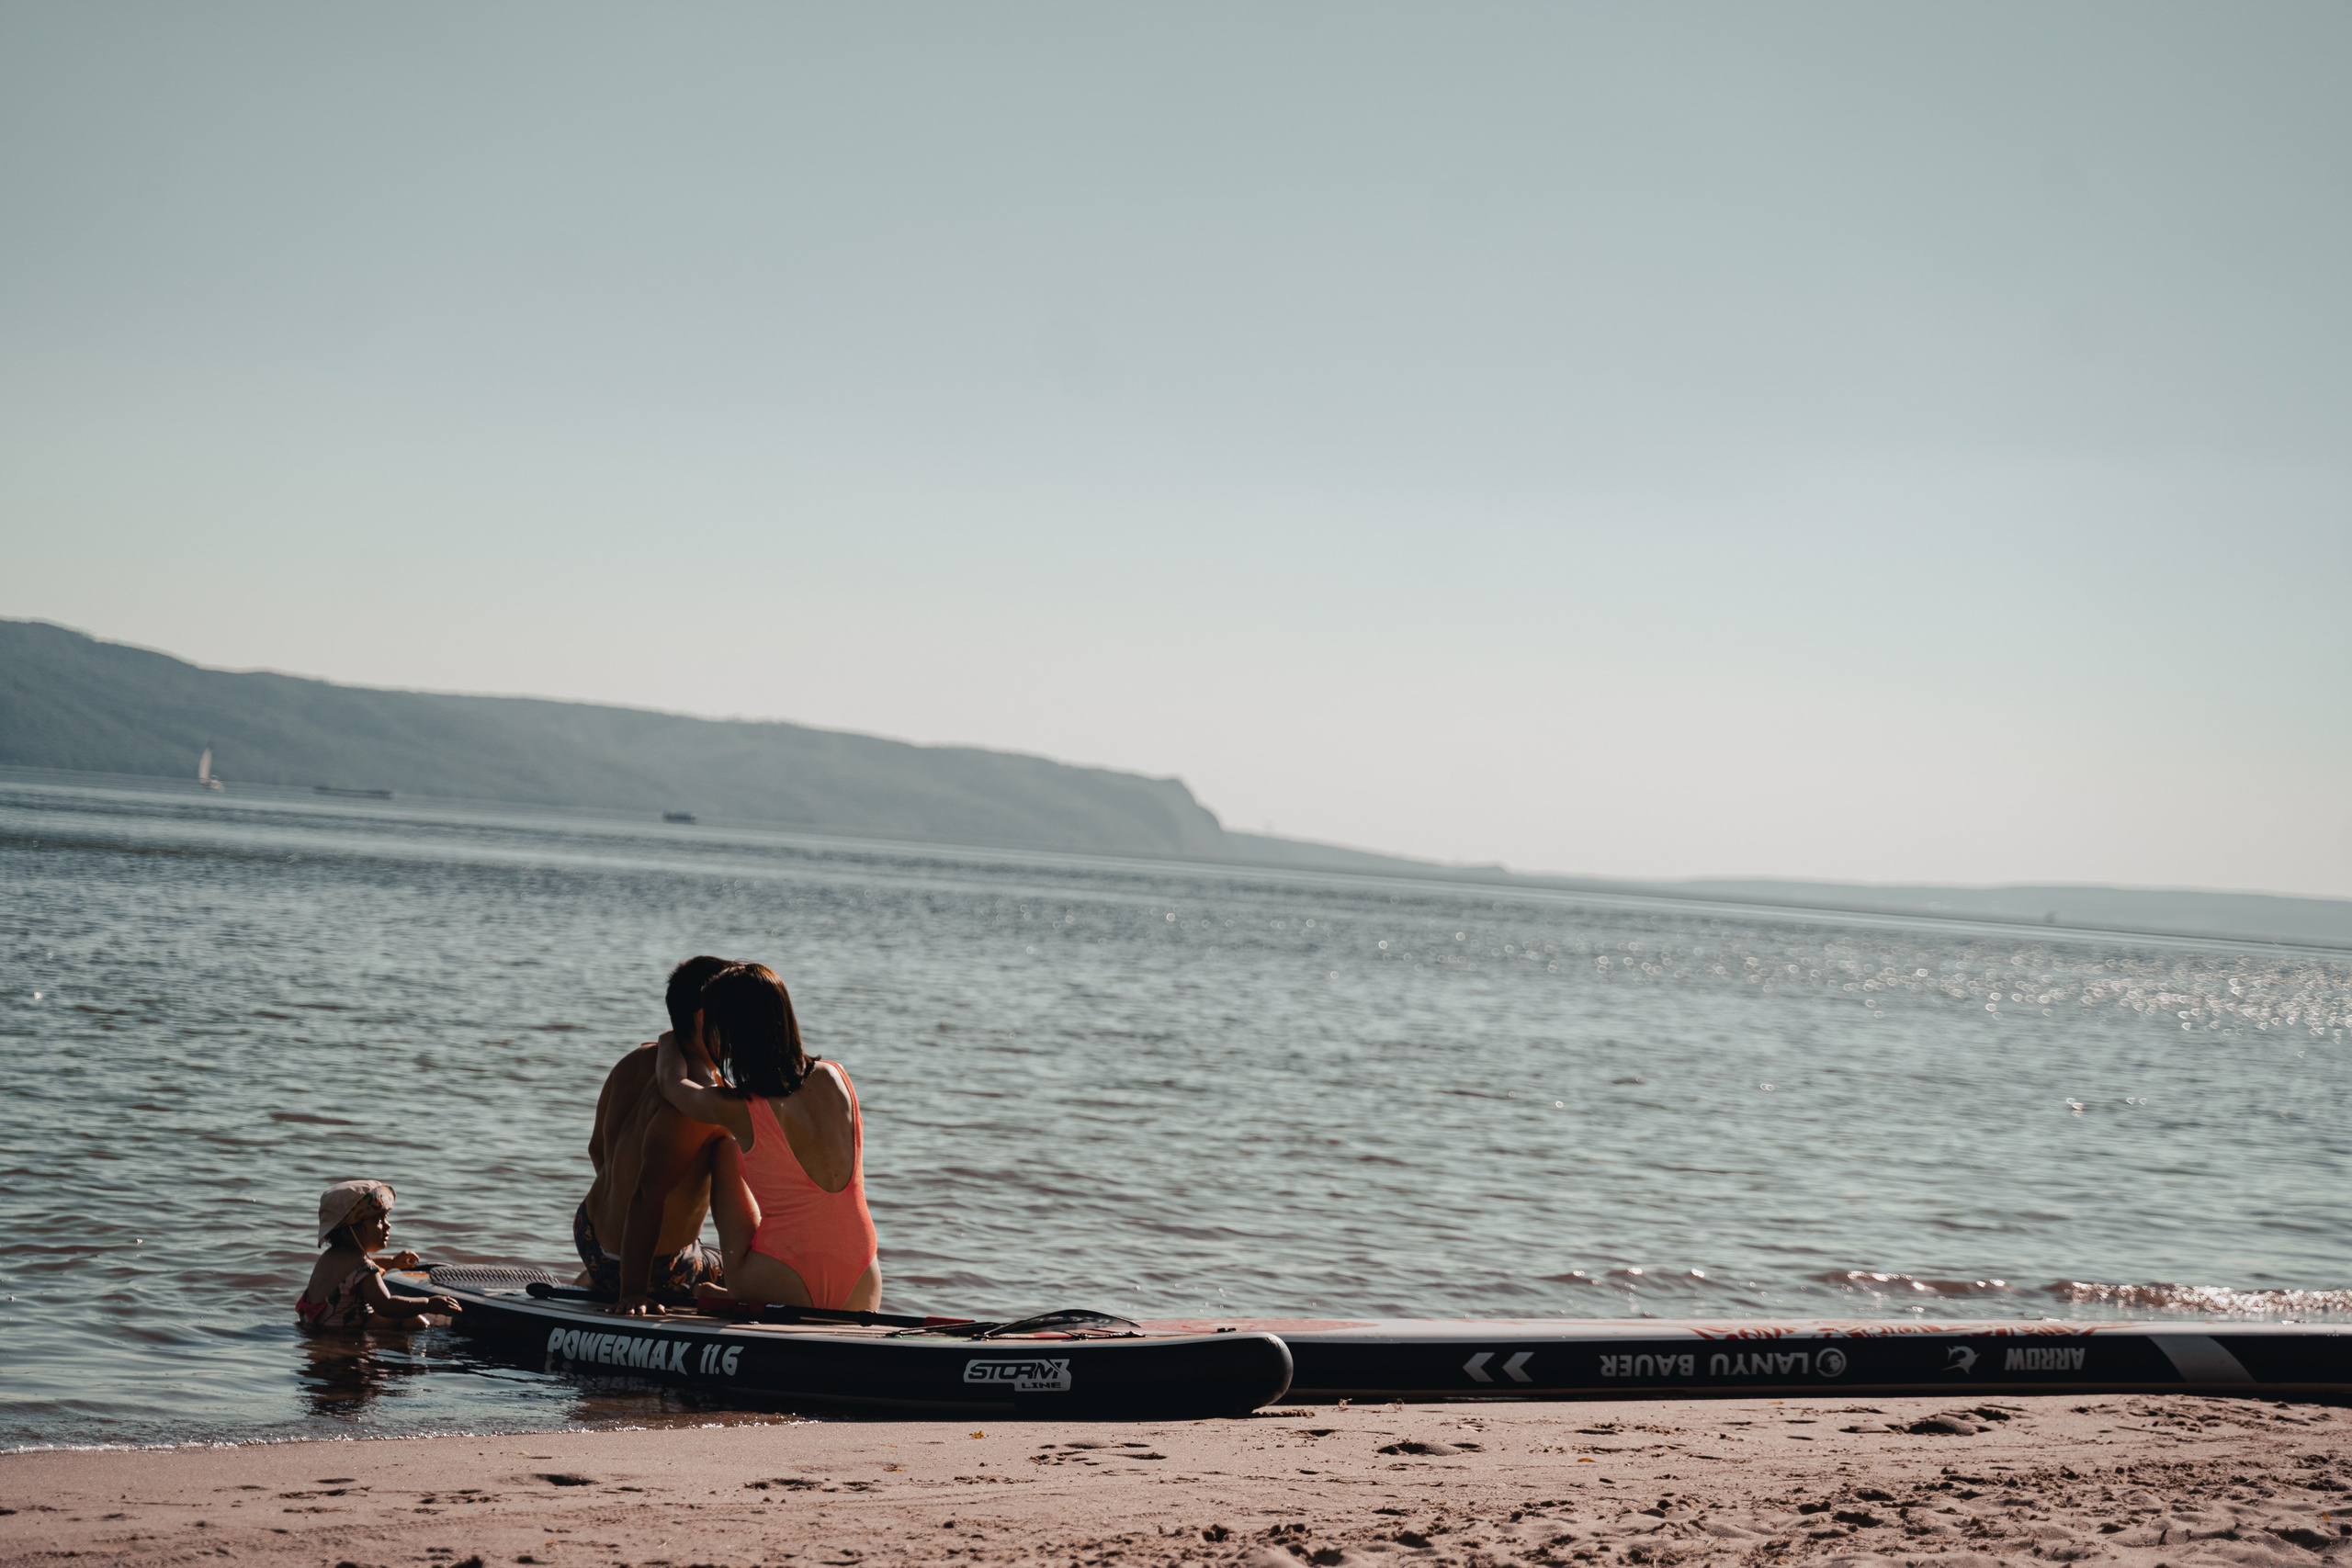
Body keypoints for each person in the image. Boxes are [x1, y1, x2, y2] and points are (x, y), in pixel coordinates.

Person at [654, 964, 880, 1312]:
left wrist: (672, 1039)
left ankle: (736, 1295)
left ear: (731, 1030)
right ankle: (738, 1297)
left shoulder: (740, 1109)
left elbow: (674, 1086)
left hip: (788, 1275)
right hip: (863, 1279)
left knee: (726, 1147)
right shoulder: (837, 1078)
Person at [581, 954, 761, 1316]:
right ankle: (645, 1283)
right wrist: (632, 1291)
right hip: (654, 1270)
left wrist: (614, 1233)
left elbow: (597, 1149)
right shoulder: (701, 1099)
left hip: (589, 1236)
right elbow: (647, 1196)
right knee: (750, 1270)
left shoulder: (636, 1060)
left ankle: (596, 1277)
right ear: (703, 1018)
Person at [296, 1179, 461, 1328]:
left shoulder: (330, 1257)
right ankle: (403, 1356)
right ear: (348, 1232)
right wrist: (428, 1304)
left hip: (316, 1328)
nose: (387, 1225)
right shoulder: (364, 1268)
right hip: (345, 1334)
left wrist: (393, 1262)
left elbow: (360, 1269)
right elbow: (386, 1305)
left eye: (385, 1217)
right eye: (378, 1221)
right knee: (413, 1319)